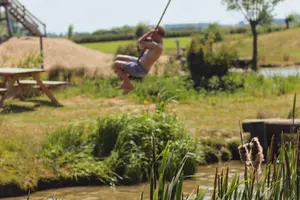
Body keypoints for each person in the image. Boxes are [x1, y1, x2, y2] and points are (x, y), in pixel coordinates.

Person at [114, 25, 165, 94]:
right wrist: (149, 36)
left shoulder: (157, 46)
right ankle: (126, 82)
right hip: (138, 62)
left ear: (156, 34)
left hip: (140, 69)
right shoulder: (156, 43)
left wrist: (149, 32)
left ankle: (128, 85)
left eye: (153, 35)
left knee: (116, 64)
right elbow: (141, 46)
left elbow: (139, 41)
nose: (151, 37)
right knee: (119, 57)